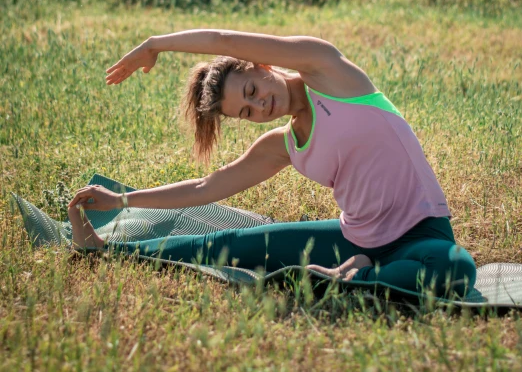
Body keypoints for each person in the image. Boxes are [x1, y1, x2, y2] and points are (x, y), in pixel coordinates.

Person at [68, 29, 476, 298]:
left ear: (261, 66)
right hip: (356, 238)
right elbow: (203, 189)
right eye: (246, 112)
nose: (259, 105)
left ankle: (357, 278)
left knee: (455, 268)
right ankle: (107, 249)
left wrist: (157, 43)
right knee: (226, 247)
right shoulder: (283, 144)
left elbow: (221, 37)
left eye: (251, 89)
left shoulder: (327, 72)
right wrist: (121, 200)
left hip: (422, 231)